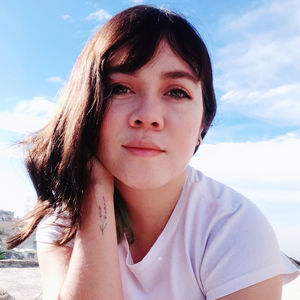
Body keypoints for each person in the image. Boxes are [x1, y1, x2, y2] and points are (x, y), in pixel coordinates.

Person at [7, 5, 299, 300]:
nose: (148, 116)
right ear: (85, 106)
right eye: (120, 88)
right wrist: (96, 191)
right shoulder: (63, 225)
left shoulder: (233, 229)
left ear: (202, 125)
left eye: (176, 92)